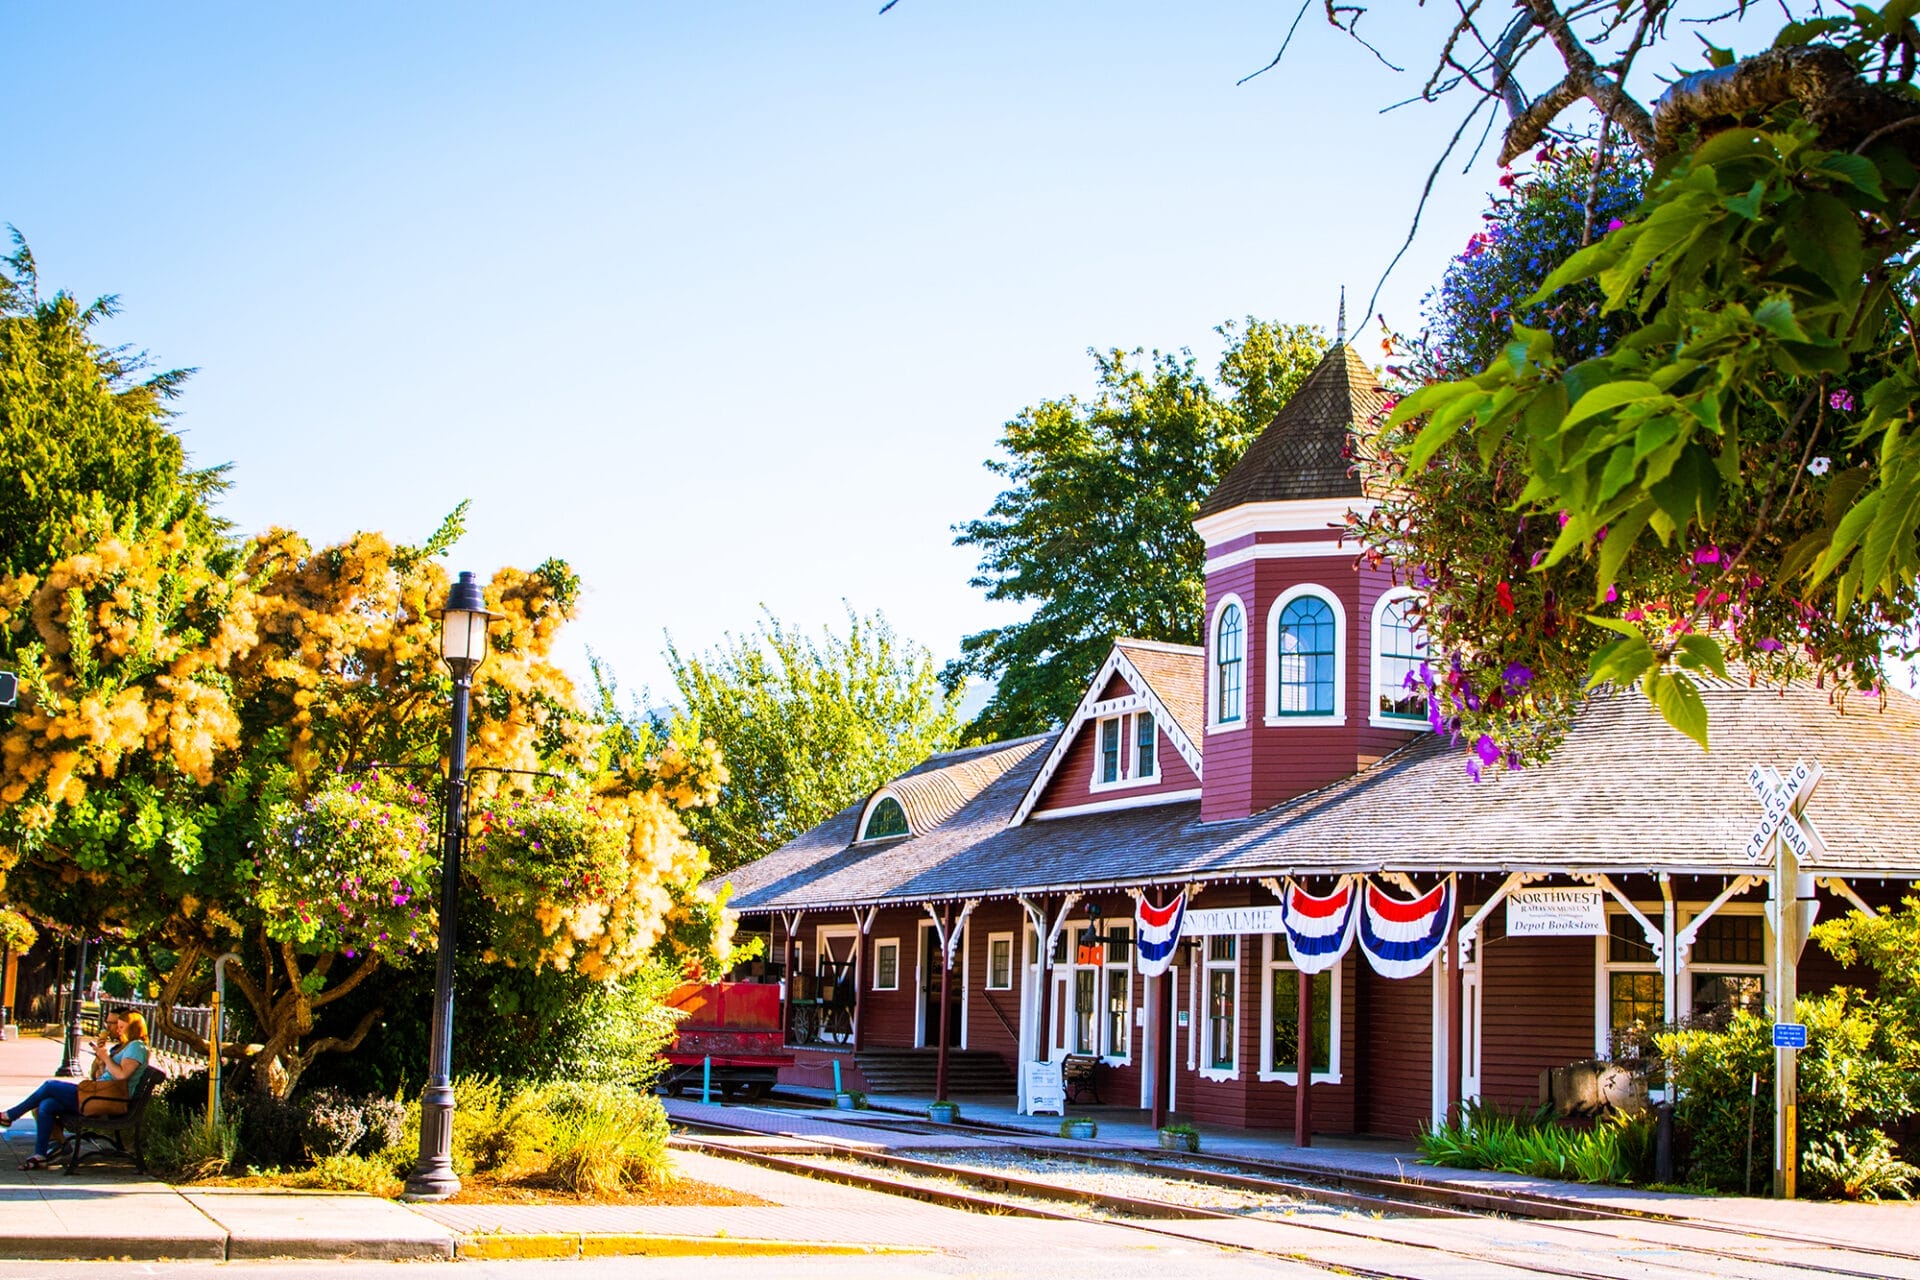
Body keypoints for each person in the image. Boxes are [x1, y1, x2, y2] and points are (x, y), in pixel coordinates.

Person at [1, 1007, 150, 1170]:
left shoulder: (137, 1046)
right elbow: (102, 1076)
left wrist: (106, 1058)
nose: (117, 1030)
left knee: (50, 1086)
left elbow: (122, 1075)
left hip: (107, 1100)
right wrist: (101, 1060)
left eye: (121, 1027)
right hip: (99, 1093)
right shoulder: (125, 1046)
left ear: (133, 1027)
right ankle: (40, 1155)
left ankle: (11, 1115)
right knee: (47, 1105)